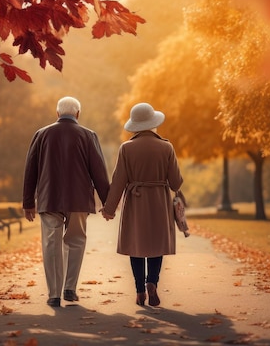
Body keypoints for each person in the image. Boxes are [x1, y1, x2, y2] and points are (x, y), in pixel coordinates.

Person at [22, 96, 110, 308]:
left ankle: (54, 294)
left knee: (51, 243)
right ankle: (70, 288)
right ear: (78, 114)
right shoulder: (88, 135)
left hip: (49, 197)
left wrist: (28, 202)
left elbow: (30, 170)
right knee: (76, 240)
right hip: (78, 198)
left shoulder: (41, 134)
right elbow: (98, 171)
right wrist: (108, 202)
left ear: (57, 113)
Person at [101, 102, 183, 307]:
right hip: (159, 202)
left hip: (136, 202)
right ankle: (152, 282)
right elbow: (175, 182)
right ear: (153, 123)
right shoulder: (166, 147)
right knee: (156, 245)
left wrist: (109, 209)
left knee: (135, 246)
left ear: (135, 125)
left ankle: (139, 291)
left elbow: (118, 180)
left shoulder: (126, 148)